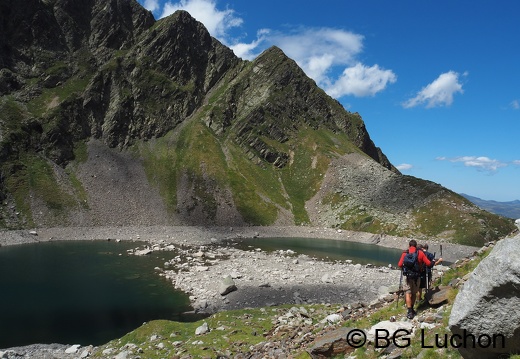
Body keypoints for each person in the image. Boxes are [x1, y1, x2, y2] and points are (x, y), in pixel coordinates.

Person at [398, 240, 442, 319]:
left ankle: (409, 311)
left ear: (409, 245)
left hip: (407, 277)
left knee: (407, 293)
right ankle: (412, 308)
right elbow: (428, 264)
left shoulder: (405, 253)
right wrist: (433, 262)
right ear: (415, 246)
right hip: (417, 276)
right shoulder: (420, 253)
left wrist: (405, 268)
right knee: (414, 293)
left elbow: (400, 264)